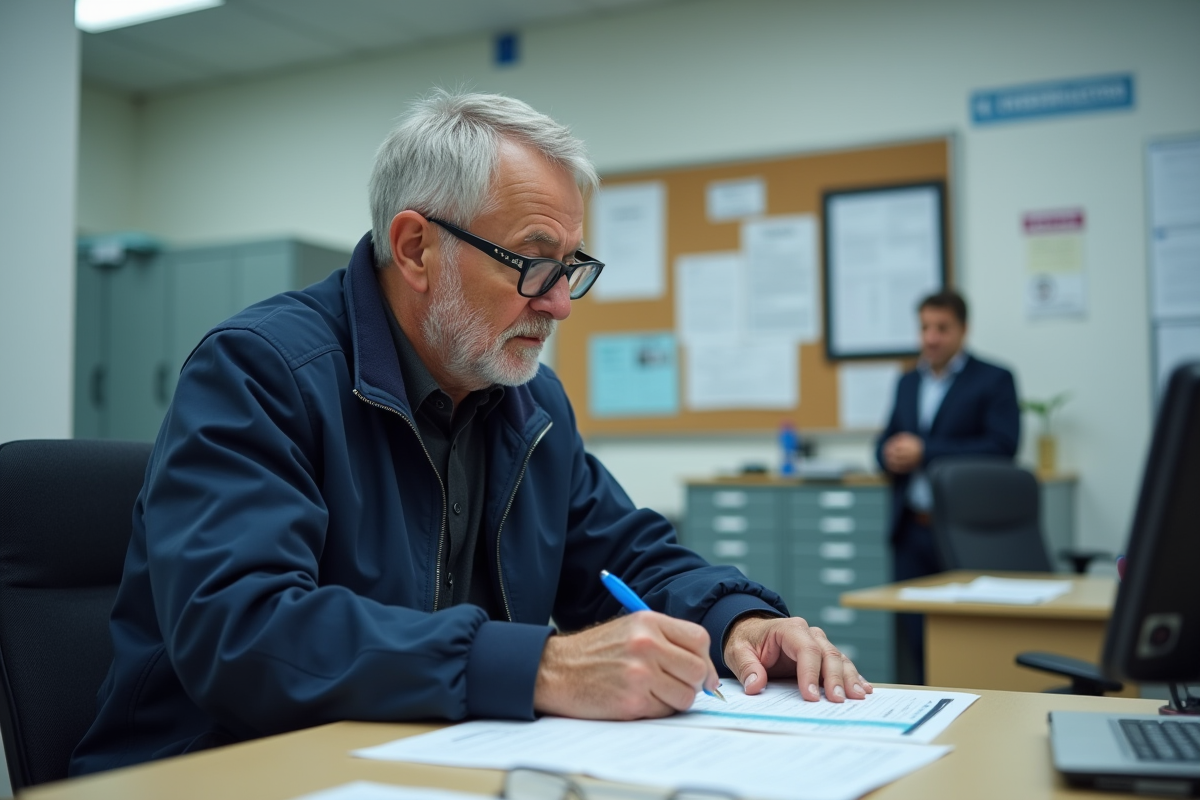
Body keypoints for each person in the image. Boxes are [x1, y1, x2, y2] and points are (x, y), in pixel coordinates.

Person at [70, 90, 870, 776]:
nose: (559, 303)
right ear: (417, 248)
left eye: (571, 267)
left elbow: (622, 555)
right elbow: (242, 630)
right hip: (224, 770)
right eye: (533, 262)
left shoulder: (527, 402)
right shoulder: (260, 373)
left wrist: (738, 618)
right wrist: (540, 667)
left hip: (417, 765)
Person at [875, 289, 1020, 683]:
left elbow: (1002, 447)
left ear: (963, 330)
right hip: (911, 529)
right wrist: (887, 453)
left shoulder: (994, 379)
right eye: (925, 327)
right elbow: (886, 439)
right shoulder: (907, 382)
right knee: (917, 638)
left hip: (963, 532)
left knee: (969, 638)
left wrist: (927, 451)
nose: (931, 337)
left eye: (942, 328)